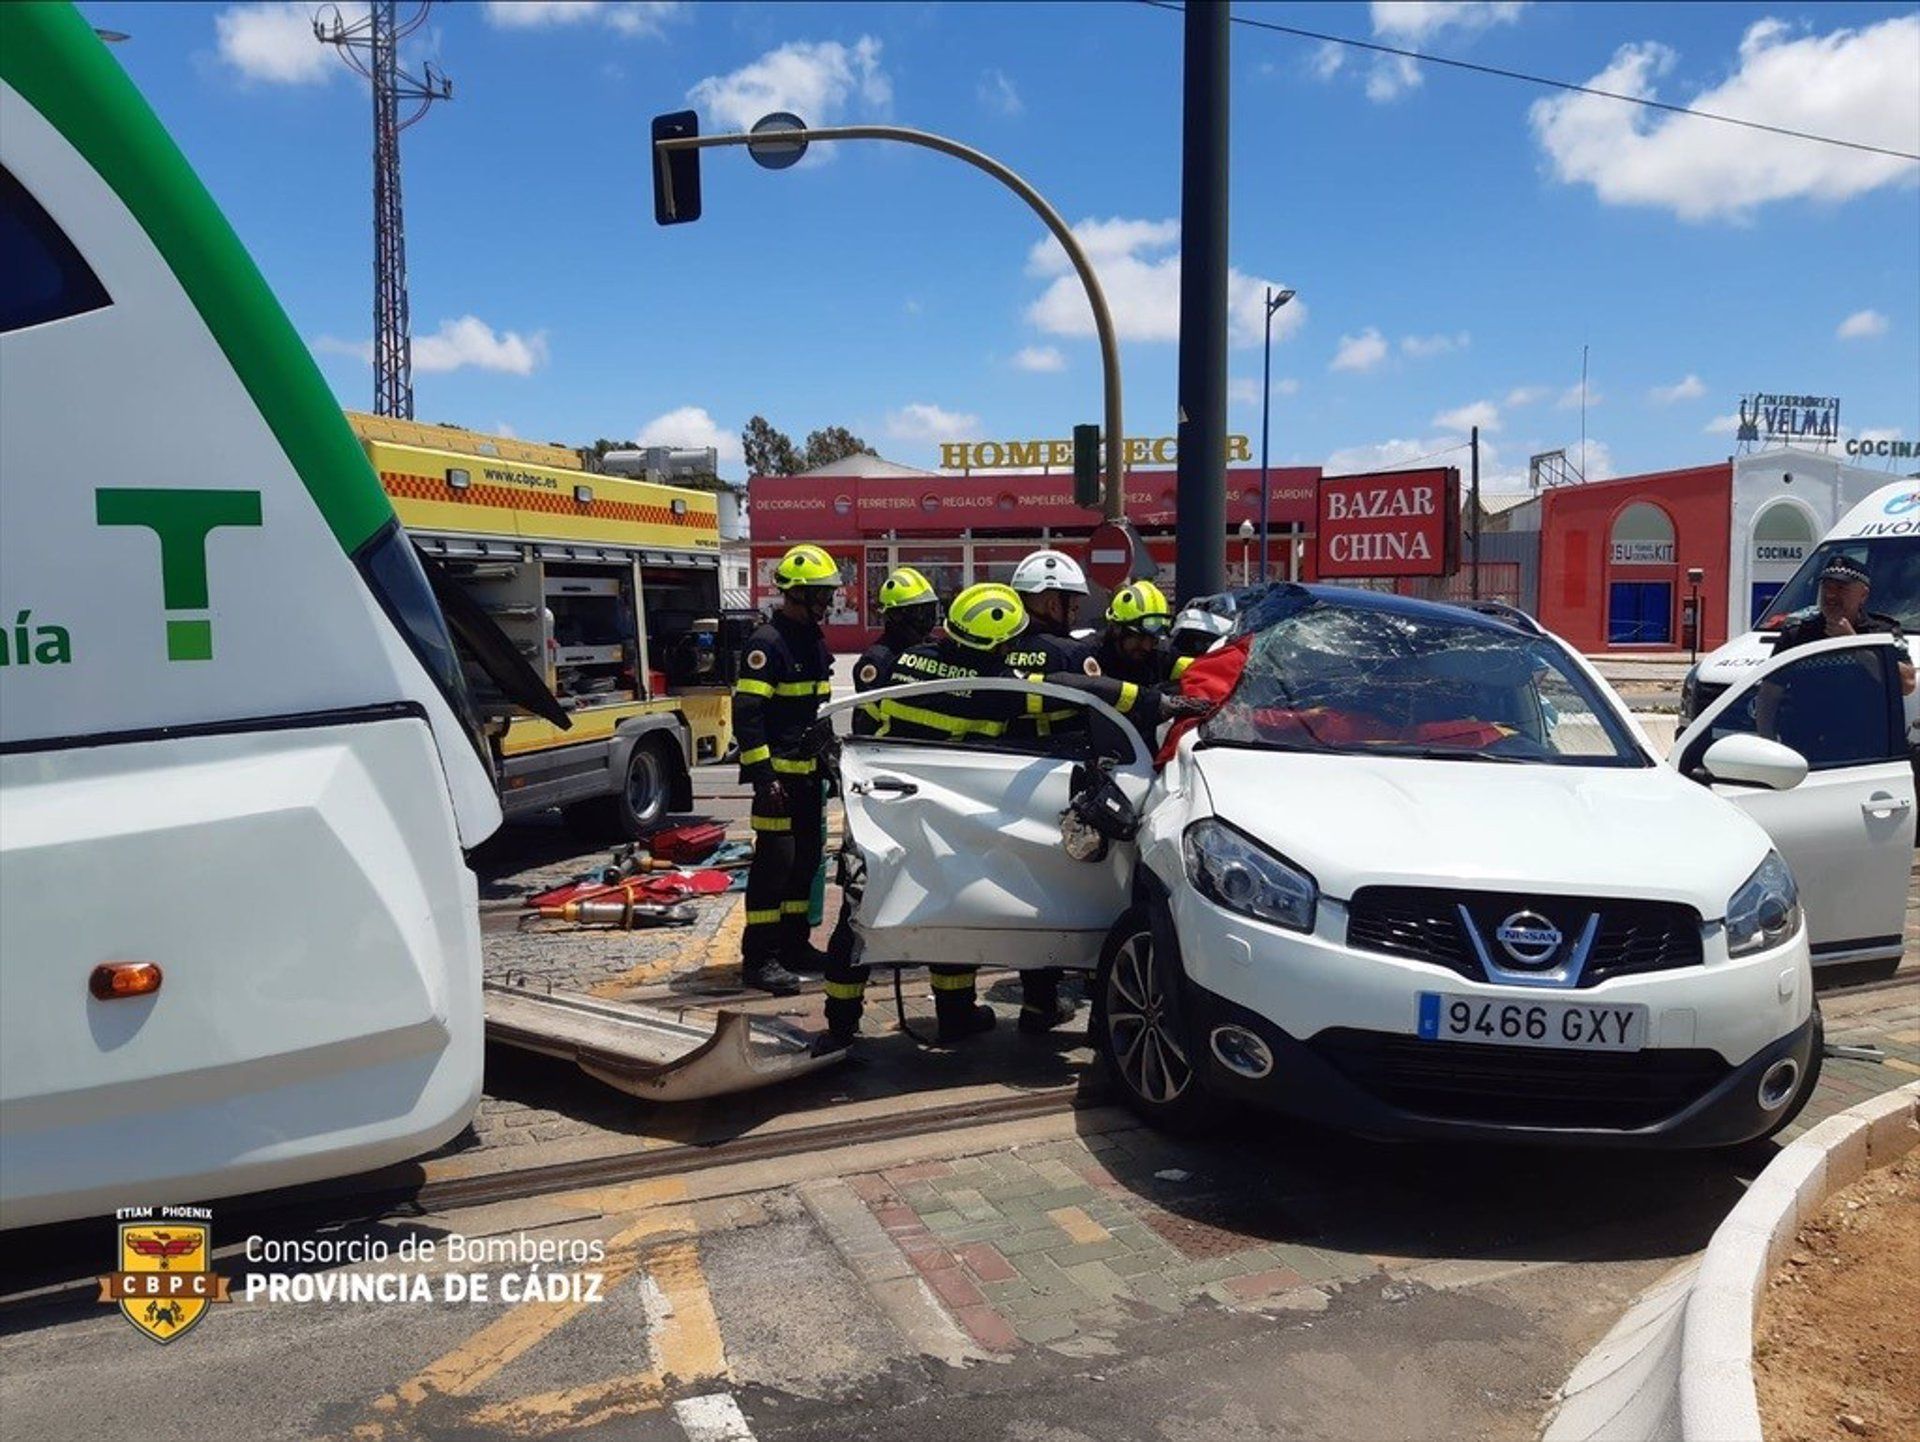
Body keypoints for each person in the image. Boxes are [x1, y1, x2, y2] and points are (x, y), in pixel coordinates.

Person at [825, 583, 1205, 1047]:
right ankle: (954, 1014)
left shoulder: (906, 662)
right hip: (948, 807)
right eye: (1009, 643)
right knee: (951, 904)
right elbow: (1070, 691)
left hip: (885, 804)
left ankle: (842, 1030)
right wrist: (1155, 702)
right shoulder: (991, 688)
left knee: (861, 914)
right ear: (995, 644)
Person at [820, 567, 942, 1046]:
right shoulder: (880, 660)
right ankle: (841, 1021)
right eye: (920, 615)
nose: (928, 623)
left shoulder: (926, 656)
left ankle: (955, 1007)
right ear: (900, 617)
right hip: (881, 796)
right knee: (859, 903)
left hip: (916, 793)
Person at [733, 544, 839, 996]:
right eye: (821, 593)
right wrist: (764, 778)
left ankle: (795, 947)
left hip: (808, 774)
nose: (828, 602)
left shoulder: (812, 639)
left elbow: (818, 707)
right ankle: (760, 959)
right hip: (777, 780)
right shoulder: (766, 643)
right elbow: (748, 713)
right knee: (774, 868)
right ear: (797, 593)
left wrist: (830, 758)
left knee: (806, 864)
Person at [1758, 555, 1916, 747]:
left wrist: (1854, 644)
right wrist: (1767, 743)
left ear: (1863, 595)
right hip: (1805, 749)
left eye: (1841, 588)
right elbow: (1768, 696)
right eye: (1827, 587)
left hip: (1866, 750)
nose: (1831, 595)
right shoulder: (1797, 634)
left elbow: (1907, 684)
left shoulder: (1884, 633)